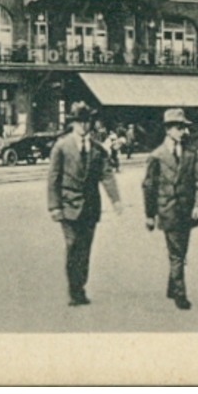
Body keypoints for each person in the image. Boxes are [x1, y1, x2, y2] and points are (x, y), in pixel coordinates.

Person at [47, 102, 122, 306]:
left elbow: (107, 175)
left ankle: (80, 286)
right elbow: (53, 178)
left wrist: (115, 199)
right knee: (73, 246)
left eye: (87, 121)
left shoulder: (98, 149)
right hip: (68, 206)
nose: (84, 126)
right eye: (79, 122)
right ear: (73, 124)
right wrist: (54, 206)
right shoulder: (61, 147)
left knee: (85, 249)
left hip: (90, 208)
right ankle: (74, 290)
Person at [142, 107, 198, 311]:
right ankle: (180, 293)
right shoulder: (157, 156)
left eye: (184, 128)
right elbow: (149, 186)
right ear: (168, 130)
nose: (183, 132)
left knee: (181, 250)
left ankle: (172, 286)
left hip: (187, 212)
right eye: (179, 128)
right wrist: (149, 215)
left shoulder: (190, 153)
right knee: (177, 253)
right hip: (167, 210)